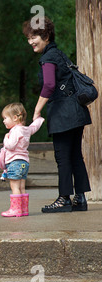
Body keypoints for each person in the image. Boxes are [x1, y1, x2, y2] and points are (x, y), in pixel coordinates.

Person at [23, 16, 92, 213]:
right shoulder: (59, 54)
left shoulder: (48, 58)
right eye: (28, 38)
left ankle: (64, 199)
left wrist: (36, 110)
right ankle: (80, 198)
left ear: (45, 35)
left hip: (64, 113)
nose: (30, 42)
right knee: (75, 155)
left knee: (63, 157)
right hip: (77, 111)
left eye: (33, 37)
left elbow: (49, 85)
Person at [0, 102, 44, 217]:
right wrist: (39, 119)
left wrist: (6, 138)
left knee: (14, 187)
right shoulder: (25, 129)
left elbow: (10, 145)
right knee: (22, 187)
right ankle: (24, 209)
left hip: (14, 162)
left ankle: (16, 210)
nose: (4, 121)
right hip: (24, 163)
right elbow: (34, 127)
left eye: (5, 118)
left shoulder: (15, 130)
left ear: (15, 118)